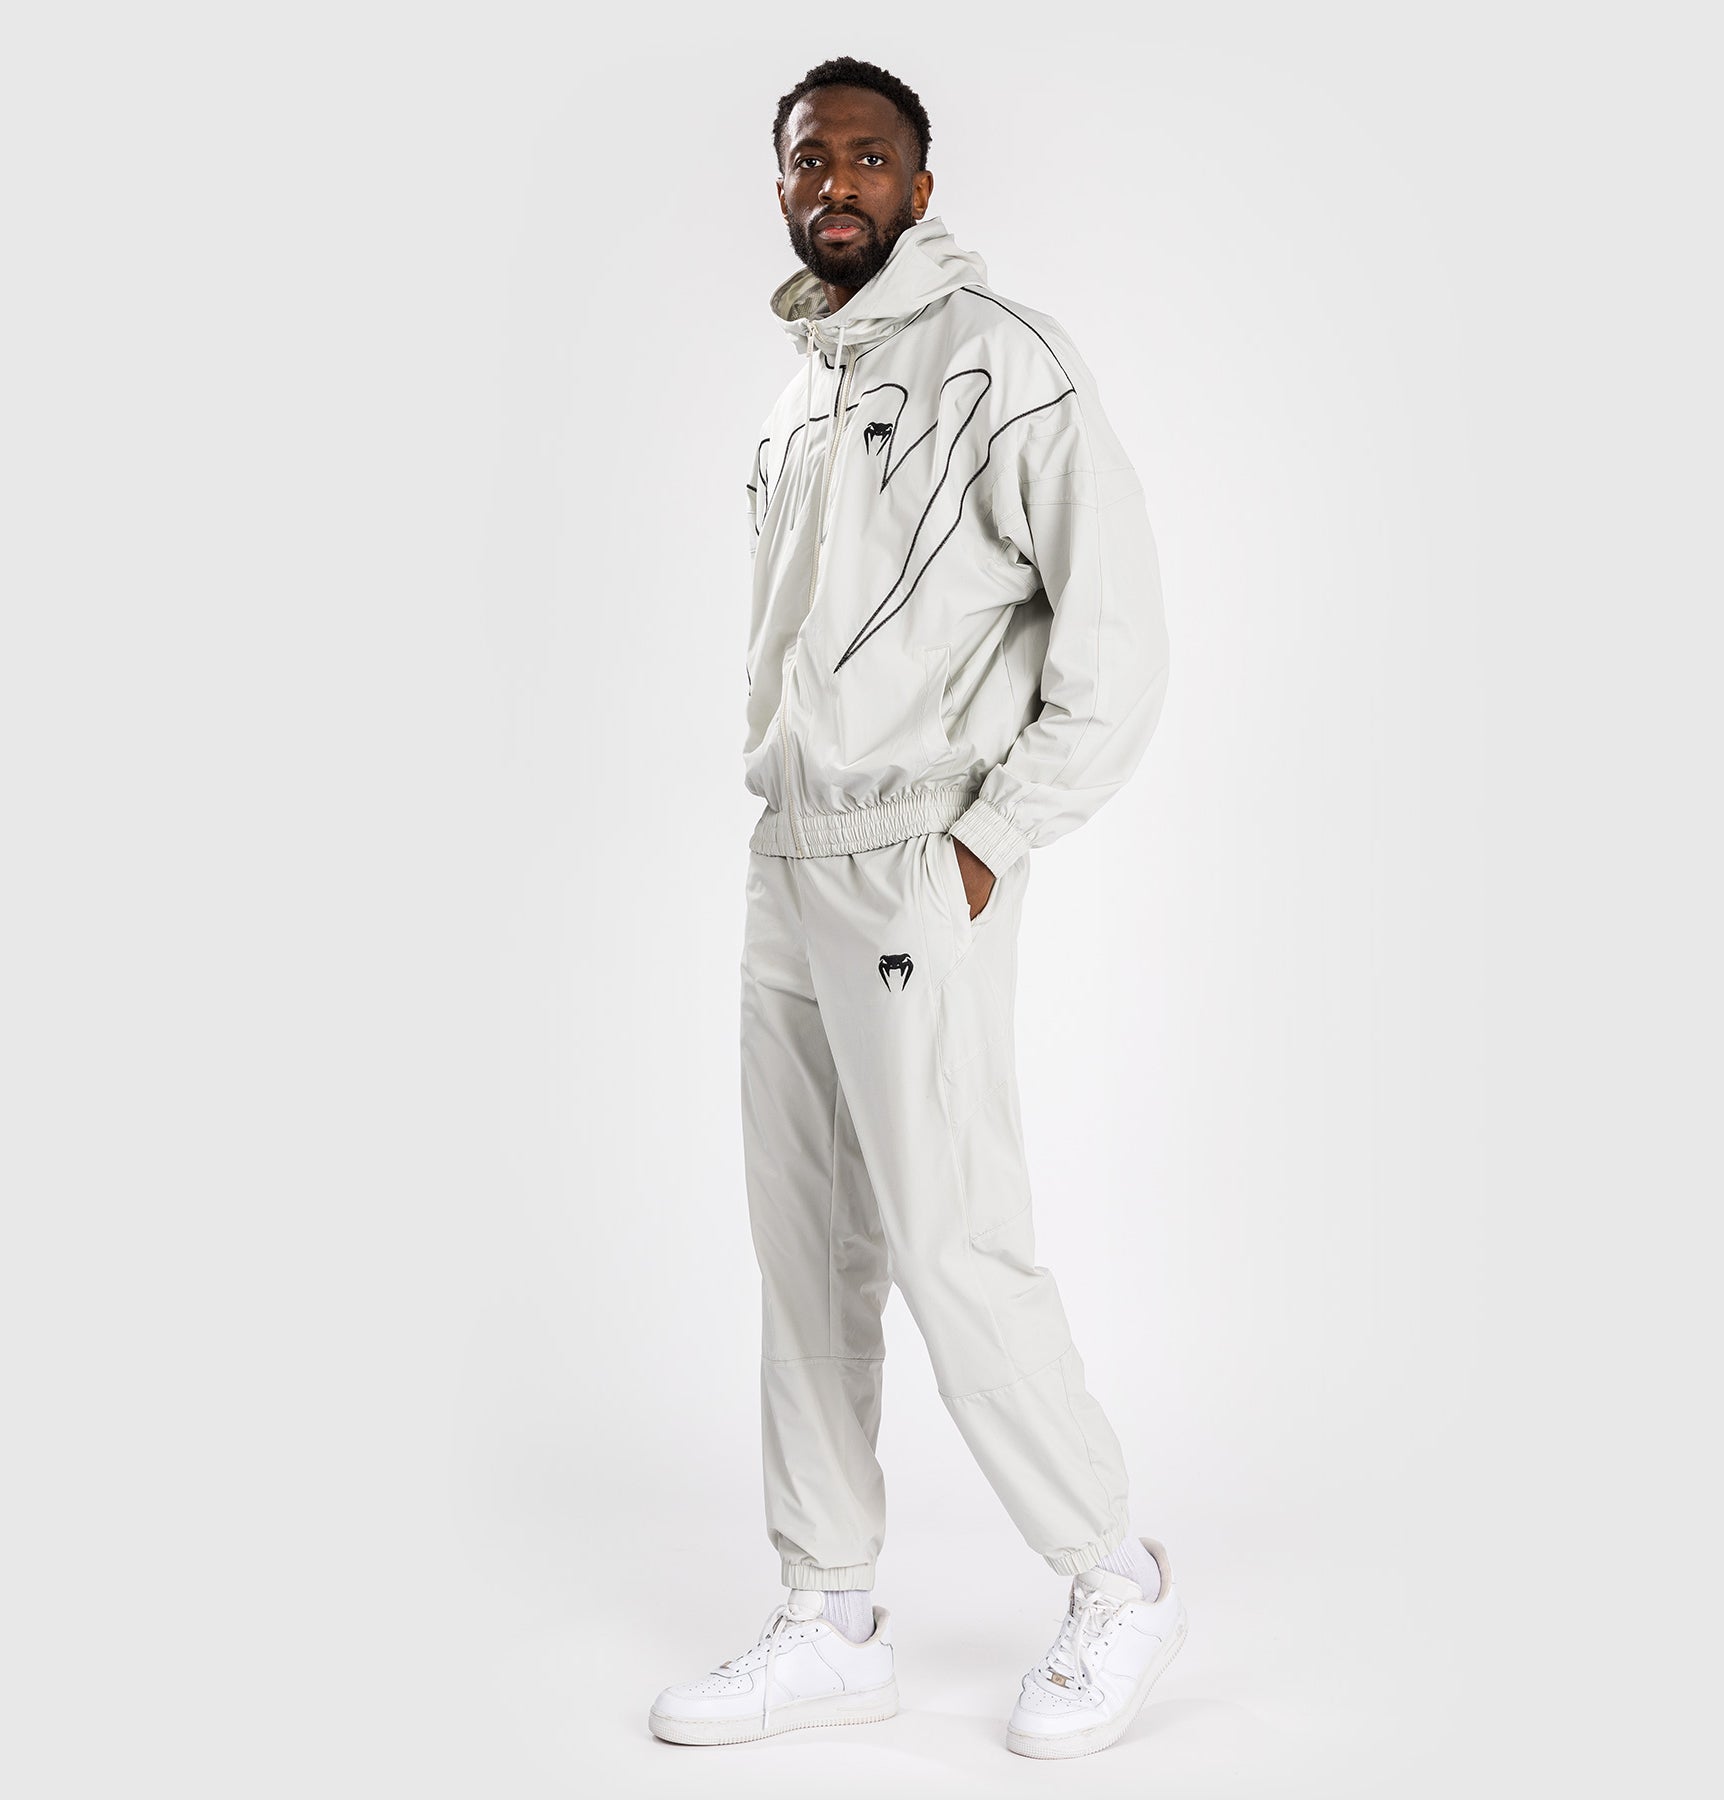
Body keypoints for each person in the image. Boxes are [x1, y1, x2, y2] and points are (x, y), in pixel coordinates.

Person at [648, 57, 1183, 1760]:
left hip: (909, 860)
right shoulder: (794, 401)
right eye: (810, 157)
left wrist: (990, 839)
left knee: (952, 1235)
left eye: (869, 156)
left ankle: (1114, 1576)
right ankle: (832, 1613)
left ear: (922, 186)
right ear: (783, 186)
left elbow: (1117, 643)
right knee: (805, 1245)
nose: (838, 182)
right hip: (786, 858)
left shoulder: (1005, 363)